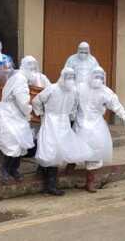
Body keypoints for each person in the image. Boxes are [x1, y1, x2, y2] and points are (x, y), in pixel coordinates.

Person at [32, 67, 92, 196]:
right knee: (49, 150)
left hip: (63, 124)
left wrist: (71, 118)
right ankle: (49, 185)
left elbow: (74, 108)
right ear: (62, 76)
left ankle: (48, 183)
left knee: (58, 152)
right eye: (67, 77)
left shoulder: (74, 91)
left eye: (72, 77)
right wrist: (41, 113)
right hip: (50, 122)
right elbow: (36, 100)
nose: (70, 80)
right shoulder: (52, 89)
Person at [75, 67, 125, 192]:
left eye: (100, 77)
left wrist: (124, 117)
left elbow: (115, 104)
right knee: (77, 150)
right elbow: (68, 97)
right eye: (96, 76)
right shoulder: (80, 87)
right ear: (90, 76)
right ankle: (67, 172)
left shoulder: (105, 91)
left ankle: (90, 182)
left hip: (96, 126)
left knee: (95, 153)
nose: (98, 79)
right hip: (80, 123)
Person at [0, 57, 36, 184]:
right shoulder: (20, 80)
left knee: (20, 144)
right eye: (32, 68)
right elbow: (22, 101)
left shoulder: (18, 76)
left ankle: (14, 169)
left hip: (15, 114)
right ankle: (5, 170)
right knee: (12, 144)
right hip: (9, 114)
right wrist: (29, 112)